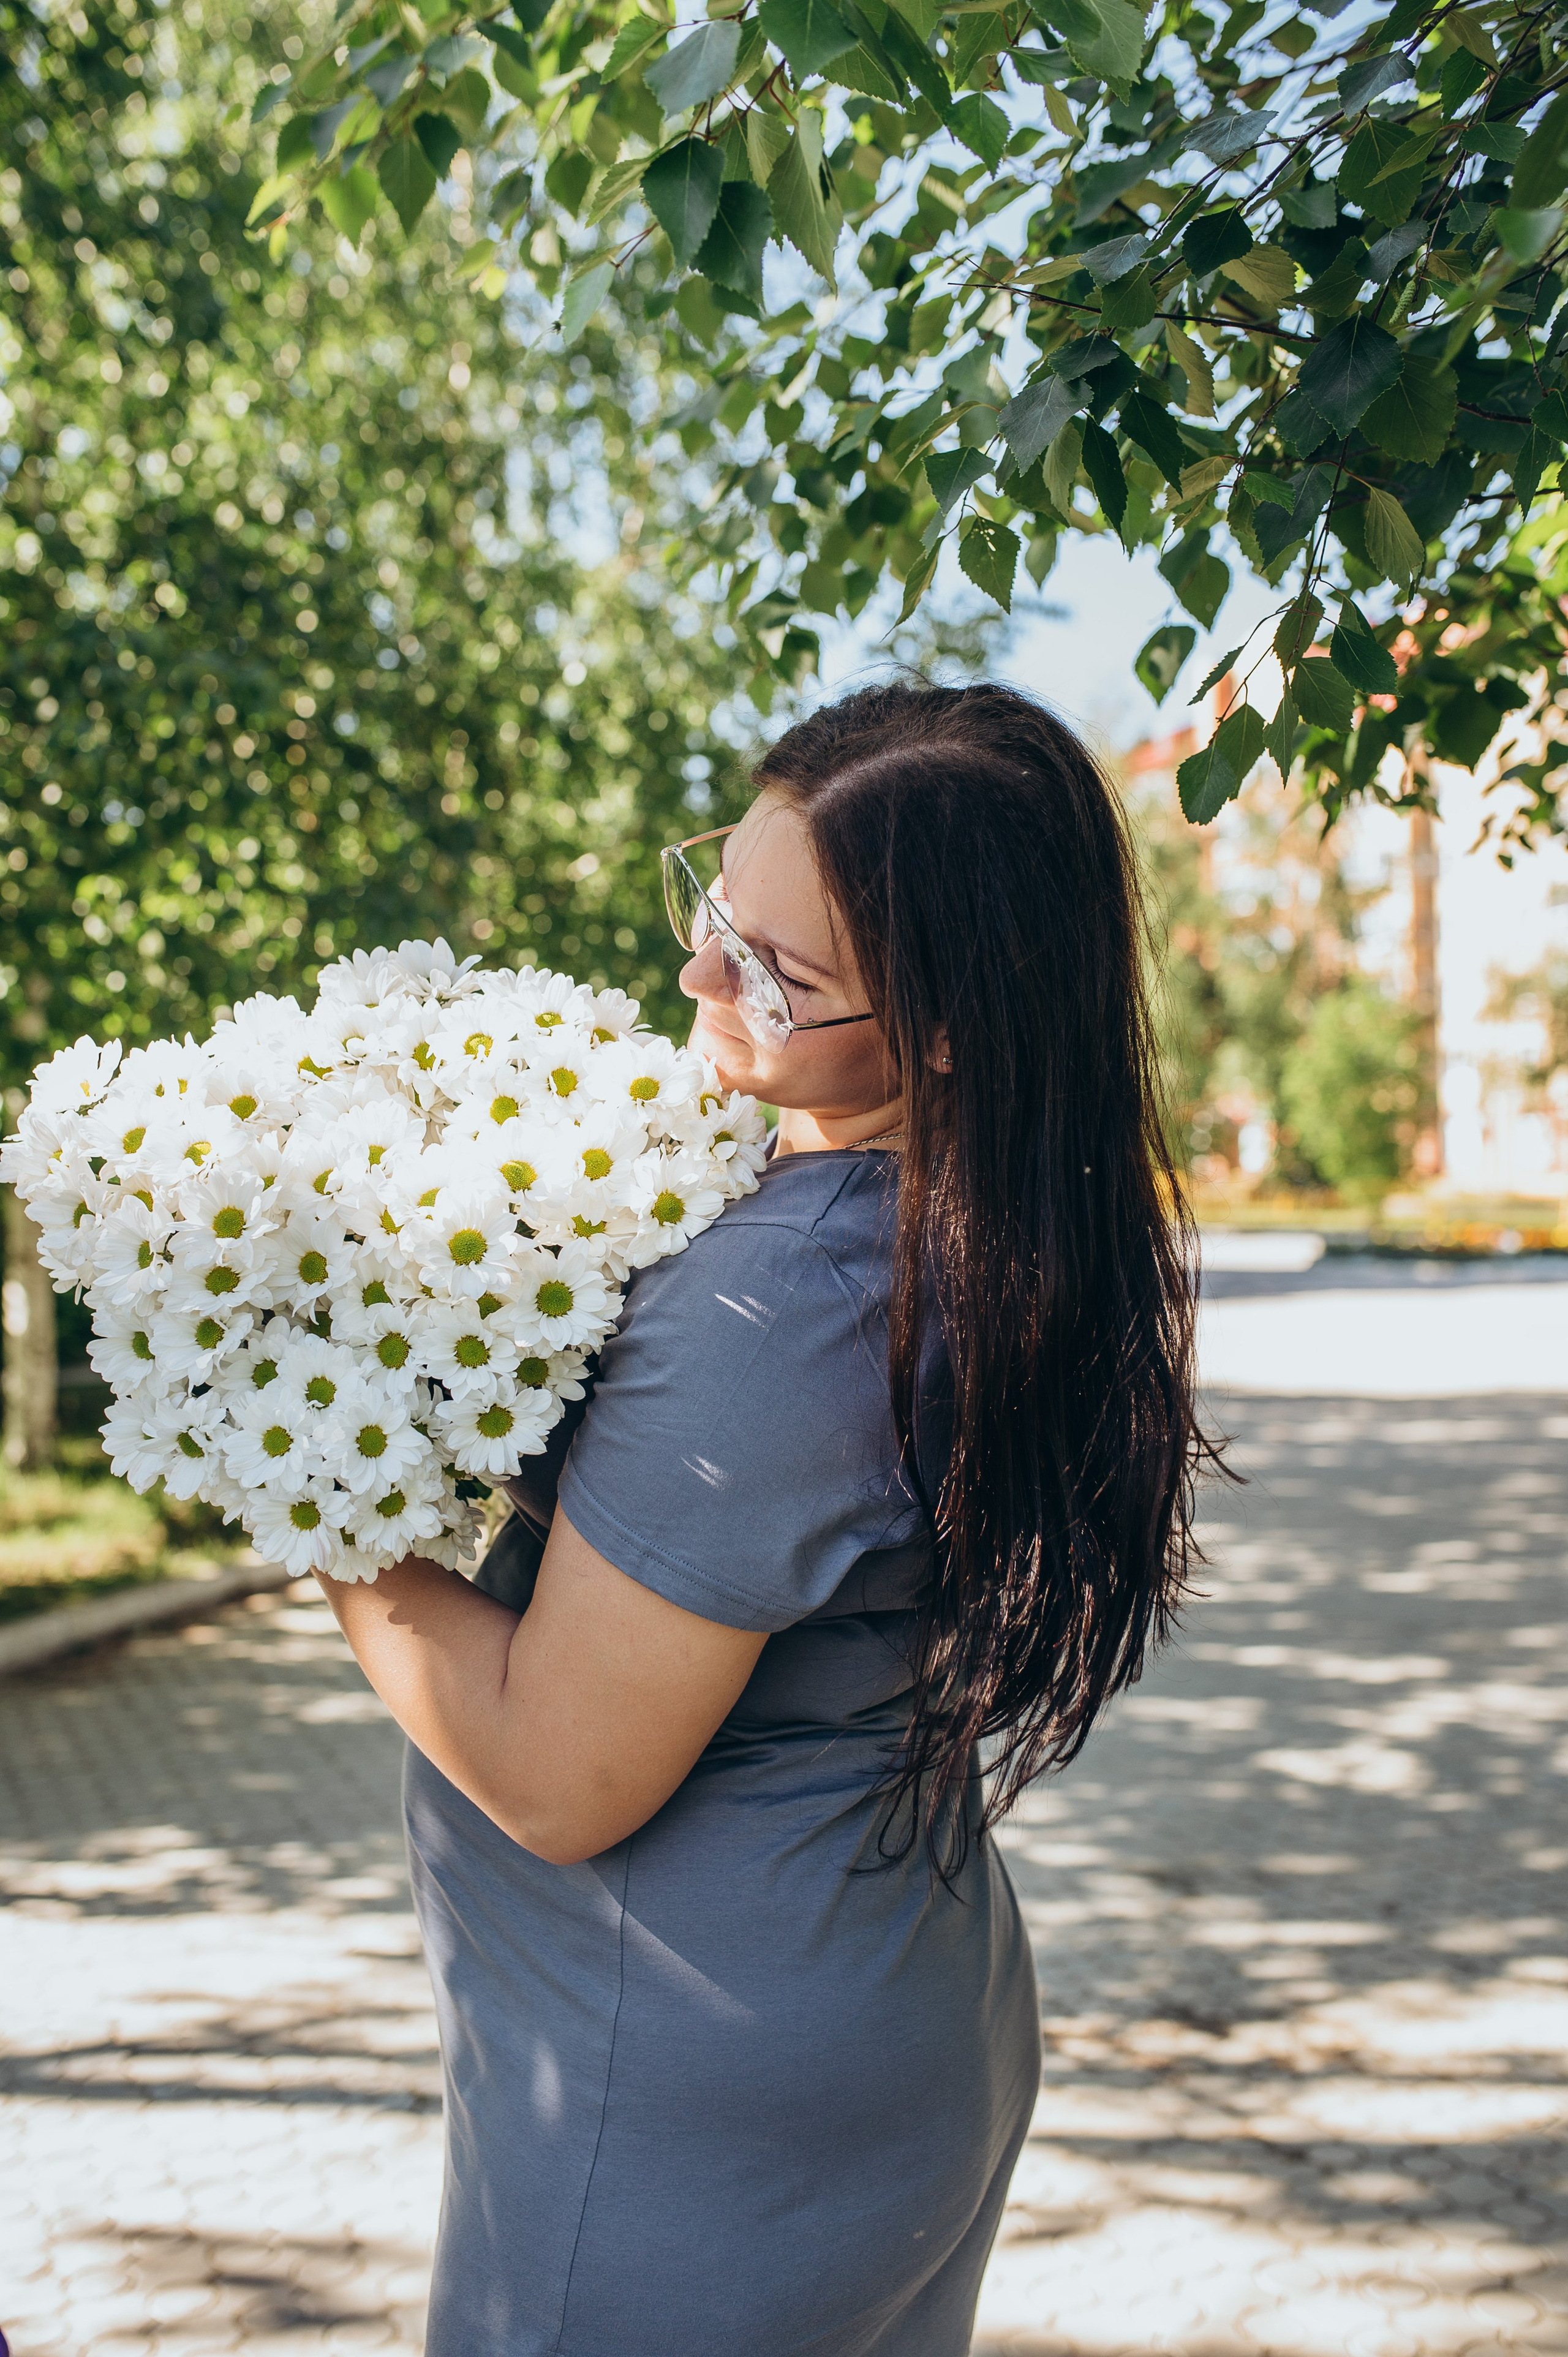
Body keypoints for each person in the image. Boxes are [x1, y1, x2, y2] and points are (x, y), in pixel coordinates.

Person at [314, 677, 1206, 2356]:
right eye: (713, 907)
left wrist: (303, 1441)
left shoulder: (780, 1315)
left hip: (683, 2091)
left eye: (773, 973)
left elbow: (556, 1775)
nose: (694, 979)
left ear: (946, 1025)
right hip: (864, 2010)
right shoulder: (970, 1210)